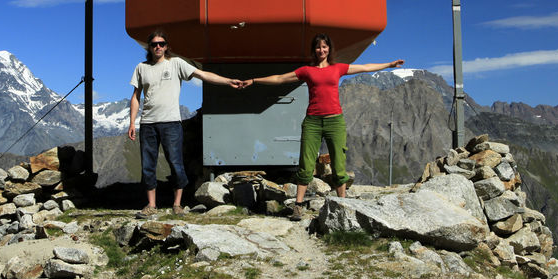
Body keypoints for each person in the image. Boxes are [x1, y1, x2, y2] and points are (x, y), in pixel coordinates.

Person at [241, 33, 404, 220]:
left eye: (324, 47)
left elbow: (365, 67)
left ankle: (343, 204)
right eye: (318, 47)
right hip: (312, 121)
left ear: (329, 49)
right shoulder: (307, 71)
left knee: (338, 163)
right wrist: (254, 80)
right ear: (314, 50)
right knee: (306, 163)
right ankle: (298, 206)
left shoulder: (338, 68)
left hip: (335, 121)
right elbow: (279, 79)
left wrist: (389, 65)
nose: (321, 50)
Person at [129, 30, 243, 217]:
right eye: (154, 44)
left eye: (162, 44)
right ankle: (151, 205)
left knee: (175, 162)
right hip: (148, 123)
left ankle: (177, 204)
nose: (158, 47)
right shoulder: (141, 68)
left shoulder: (176, 64)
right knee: (148, 165)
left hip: (171, 123)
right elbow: (135, 96)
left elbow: (203, 75)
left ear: (167, 47)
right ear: (149, 47)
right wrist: (132, 123)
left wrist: (227, 81)